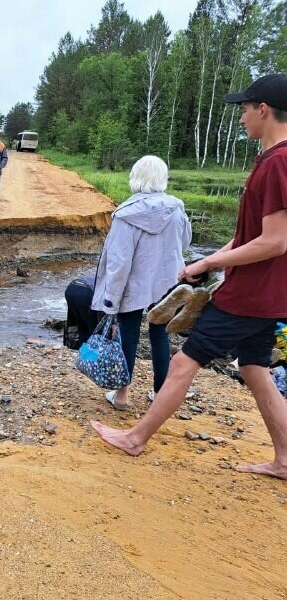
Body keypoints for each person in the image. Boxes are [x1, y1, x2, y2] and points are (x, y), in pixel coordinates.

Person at [91, 73, 287, 480]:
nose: (241, 117)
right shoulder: (271, 159)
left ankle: (135, 438)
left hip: (248, 294)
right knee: (255, 370)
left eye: (245, 109)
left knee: (184, 362)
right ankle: (285, 458)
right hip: (270, 293)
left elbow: (274, 242)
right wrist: (211, 258)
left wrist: (205, 265)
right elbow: (247, 235)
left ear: (263, 110)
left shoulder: (278, 163)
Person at [91, 155, 192, 410]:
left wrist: (110, 301)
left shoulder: (126, 214)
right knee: (159, 334)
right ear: (163, 178)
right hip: (167, 280)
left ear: (135, 177)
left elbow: (118, 262)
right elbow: (186, 242)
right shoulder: (176, 207)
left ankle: (122, 395)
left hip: (133, 285)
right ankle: (160, 395)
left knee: (129, 335)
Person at [63, 274, 101, 349]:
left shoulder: (99, 274)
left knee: (82, 325)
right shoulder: (113, 281)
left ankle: (82, 352)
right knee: (94, 330)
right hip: (84, 292)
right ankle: (93, 356)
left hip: (71, 288)